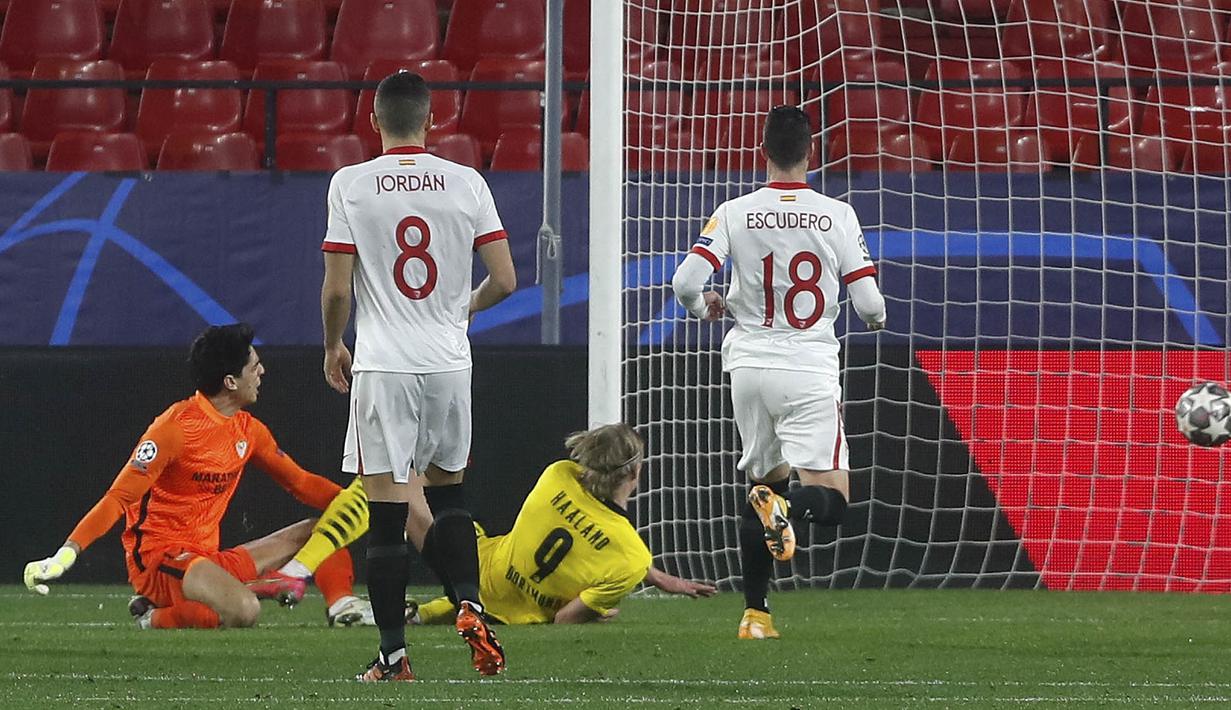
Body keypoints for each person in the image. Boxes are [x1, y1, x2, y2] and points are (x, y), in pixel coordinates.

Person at [319, 70, 517, 681]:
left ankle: (393, 656)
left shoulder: (351, 184)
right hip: (449, 362)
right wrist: (463, 309)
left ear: (373, 122)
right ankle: (470, 603)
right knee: (449, 496)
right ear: (433, 122)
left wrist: (332, 345)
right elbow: (507, 280)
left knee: (386, 513)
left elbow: (336, 289)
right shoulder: (466, 183)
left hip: (385, 362)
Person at [670, 106, 886, 640]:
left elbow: (684, 282)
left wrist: (706, 308)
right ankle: (784, 510)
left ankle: (755, 614)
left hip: (747, 364)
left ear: (762, 153)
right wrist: (875, 318)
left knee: (761, 482)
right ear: (811, 153)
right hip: (807, 364)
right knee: (831, 501)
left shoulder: (735, 210)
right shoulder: (836, 215)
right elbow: (871, 303)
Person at [21, 324, 372, 630]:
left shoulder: (249, 431)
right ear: (230, 381)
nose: (262, 371)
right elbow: (118, 498)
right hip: (162, 562)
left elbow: (301, 484)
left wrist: (364, 501)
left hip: (208, 560)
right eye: (254, 365)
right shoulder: (174, 429)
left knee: (323, 527)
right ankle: (155, 616)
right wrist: (66, 554)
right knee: (244, 612)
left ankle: (342, 606)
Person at [409, 424, 716, 626]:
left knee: (414, 493)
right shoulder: (631, 560)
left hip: (469, 568)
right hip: (507, 618)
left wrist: (655, 576)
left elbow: (583, 523)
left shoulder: (558, 475)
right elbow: (564, 620)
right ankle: (430, 613)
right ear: (635, 473)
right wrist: (593, 612)